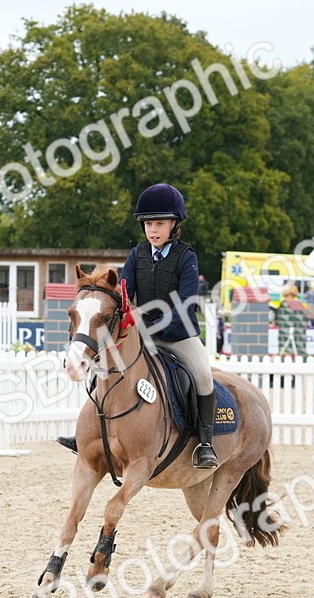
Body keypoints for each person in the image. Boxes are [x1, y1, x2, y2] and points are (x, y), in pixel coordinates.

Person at [57, 183, 218, 469]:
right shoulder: (137, 255)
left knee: (203, 375)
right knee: (103, 366)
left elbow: (186, 301)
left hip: (178, 335)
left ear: (174, 225)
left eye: (160, 224)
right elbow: (123, 292)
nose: (153, 230)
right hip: (140, 333)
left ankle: (205, 442)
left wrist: (155, 326)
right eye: (148, 224)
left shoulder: (186, 256)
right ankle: (89, 433)